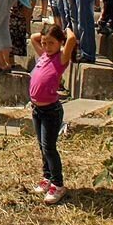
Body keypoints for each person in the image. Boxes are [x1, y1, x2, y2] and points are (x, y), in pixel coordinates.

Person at [29, 26, 77, 206]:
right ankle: (47, 176)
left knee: (49, 147)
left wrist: (66, 29)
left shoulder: (60, 59)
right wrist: (45, 35)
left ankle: (58, 184)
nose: (47, 46)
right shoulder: (44, 55)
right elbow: (34, 37)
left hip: (51, 111)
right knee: (42, 146)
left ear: (60, 43)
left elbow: (71, 40)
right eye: (45, 43)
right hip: (37, 110)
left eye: (51, 43)